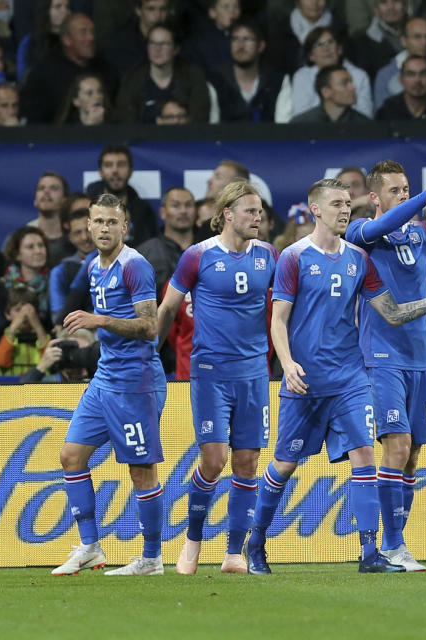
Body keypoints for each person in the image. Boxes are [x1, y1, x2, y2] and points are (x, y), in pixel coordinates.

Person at [243, 177, 426, 574]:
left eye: (346, 204)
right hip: (305, 380)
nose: (343, 210)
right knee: (284, 463)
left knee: (366, 457)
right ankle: (256, 542)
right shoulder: (294, 256)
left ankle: (371, 555)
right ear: (315, 209)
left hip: (351, 378)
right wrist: (286, 364)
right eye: (336, 203)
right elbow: (278, 320)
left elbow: (393, 312)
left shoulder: (359, 258)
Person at [343, 159, 426, 571]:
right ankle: (392, 545)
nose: (402, 196)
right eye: (394, 191)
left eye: (406, 189)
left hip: (422, 357)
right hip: (381, 357)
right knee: (394, 447)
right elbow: (383, 226)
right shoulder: (360, 231)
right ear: (375, 197)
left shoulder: (418, 231)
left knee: (412, 454)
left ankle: (399, 541)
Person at [155, 181, 277, 575]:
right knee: (215, 458)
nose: (258, 218)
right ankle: (192, 541)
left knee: (247, 461)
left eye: (260, 212)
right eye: (250, 211)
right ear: (227, 214)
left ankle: (233, 553)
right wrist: (146, 353)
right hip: (210, 374)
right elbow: (168, 309)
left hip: (255, 374)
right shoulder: (197, 256)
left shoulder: (269, 256)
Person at [52, 193, 167, 576]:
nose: (104, 228)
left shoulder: (135, 266)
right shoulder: (92, 265)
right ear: (88, 225)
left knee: (141, 471)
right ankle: (89, 547)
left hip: (136, 381)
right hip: (105, 378)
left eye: (112, 222)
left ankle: (151, 559)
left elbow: (149, 327)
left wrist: (99, 321)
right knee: (71, 456)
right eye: (98, 221)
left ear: (125, 227)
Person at [116, 23, 210, 124]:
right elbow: (124, 117)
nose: (157, 49)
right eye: (152, 43)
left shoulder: (193, 76)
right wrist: (159, 113)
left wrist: (182, 119)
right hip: (143, 138)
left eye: (164, 44)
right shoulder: (132, 79)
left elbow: (200, 116)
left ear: (175, 49)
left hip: (184, 137)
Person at [208, 19, 292, 123]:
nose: (241, 45)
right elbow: (211, 128)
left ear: (261, 46)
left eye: (247, 39)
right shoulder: (216, 80)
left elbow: (283, 128)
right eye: (235, 39)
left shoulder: (278, 81)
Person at [372, 16, 426, 112]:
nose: (424, 43)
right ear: (404, 41)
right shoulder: (385, 75)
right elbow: (382, 117)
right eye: (417, 37)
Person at [289, 26, 372, 119]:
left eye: (330, 42)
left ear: (339, 49)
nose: (326, 48)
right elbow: (301, 114)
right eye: (318, 44)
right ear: (311, 56)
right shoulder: (302, 76)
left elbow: (366, 115)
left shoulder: (359, 75)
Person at [86, 145, 159, 246]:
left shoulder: (143, 211)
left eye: (121, 165)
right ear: (101, 172)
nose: (115, 171)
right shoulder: (87, 207)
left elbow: (149, 247)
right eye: (108, 165)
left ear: (130, 171)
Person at [138, 187, 196, 300]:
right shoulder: (144, 253)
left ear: (196, 211)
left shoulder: (209, 250)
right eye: (176, 205)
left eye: (188, 205)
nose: (183, 211)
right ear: (163, 213)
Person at [375, 54, 426, 120]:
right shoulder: (386, 113)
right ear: (401, 80)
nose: (417, 80)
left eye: (424, 74)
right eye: (411, 74)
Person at [290, 64, 370, 123]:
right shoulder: (301, 124)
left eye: (351, 82)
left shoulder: (364, 125)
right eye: (344, 83)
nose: (353, 87)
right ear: (326, 92)